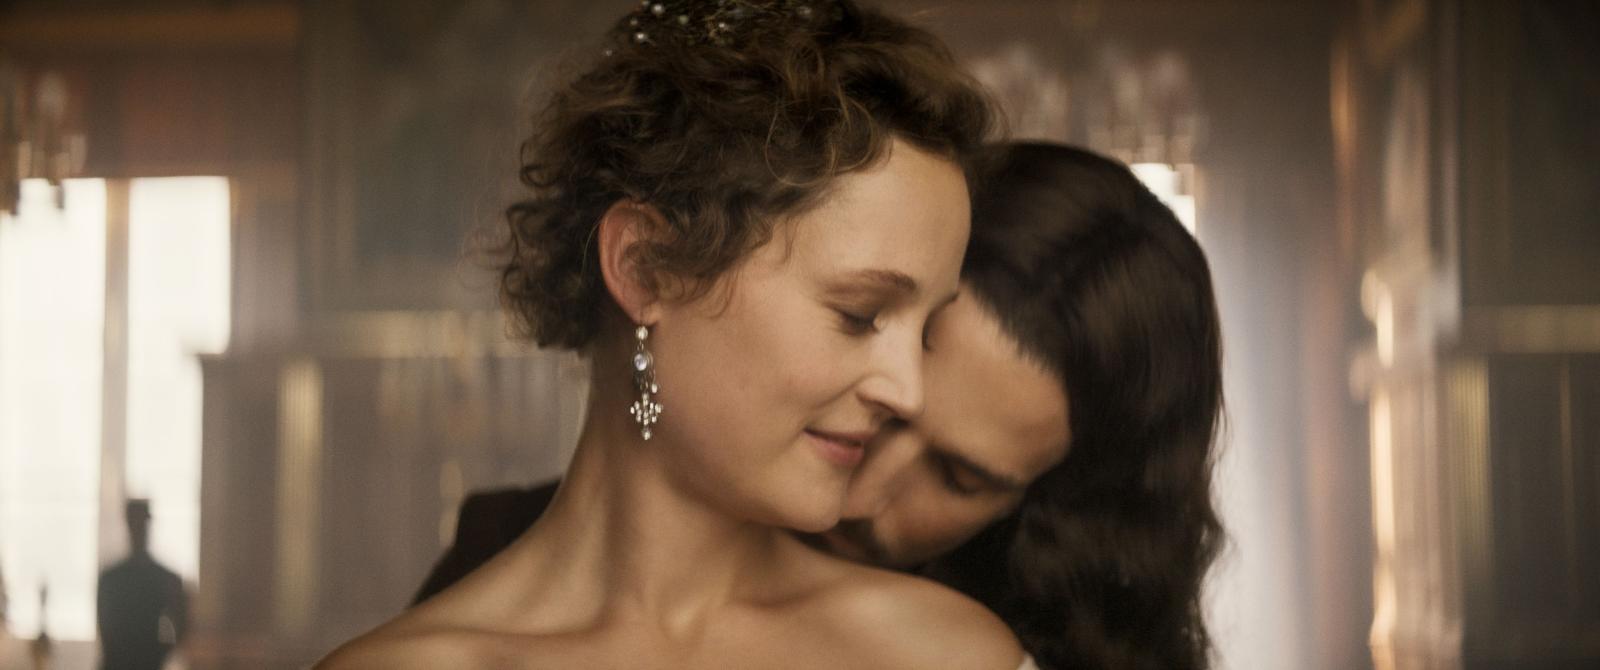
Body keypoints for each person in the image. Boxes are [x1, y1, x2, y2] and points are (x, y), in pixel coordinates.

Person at [318, 1, 1020, 668]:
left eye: (926, 331)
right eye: (860, 314)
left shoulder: (948, 655)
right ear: (646, 268)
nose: (908, 392)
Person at [414, 142, 1226, 669]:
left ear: (1049, 516)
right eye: (877, 408)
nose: (860, 496)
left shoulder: (970, 650)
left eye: (958, 478)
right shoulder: (498, 572)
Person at [97, 499, 189, 670]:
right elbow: (105, 628)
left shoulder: (164, 578)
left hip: (145, 661)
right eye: (135, 521)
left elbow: (182, 624)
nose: (138, 527)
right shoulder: (111, 578)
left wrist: (158, 652)